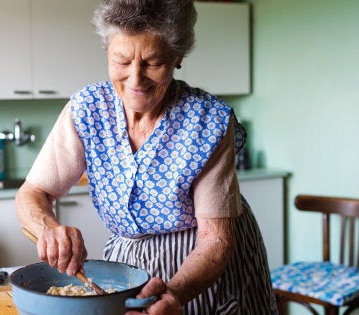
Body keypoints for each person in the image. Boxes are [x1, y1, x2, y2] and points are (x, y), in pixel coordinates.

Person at [15, 0, 277, 314]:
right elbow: (33, 193)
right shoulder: (87, 109)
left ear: (178, 56)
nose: (136, 80)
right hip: (128, 264)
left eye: (153, 62)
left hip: (205, 264)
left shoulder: (208, 121)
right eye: (121, 61)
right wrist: (49, 229)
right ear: (107, 51)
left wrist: (176, 293)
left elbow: (214, 238)